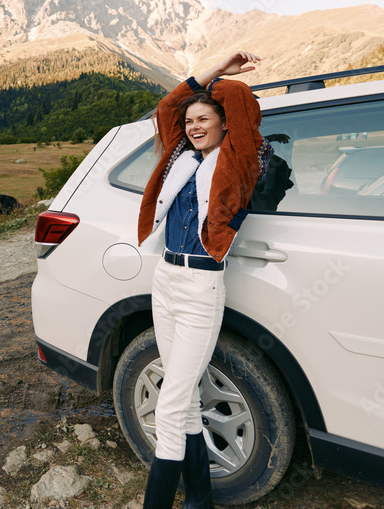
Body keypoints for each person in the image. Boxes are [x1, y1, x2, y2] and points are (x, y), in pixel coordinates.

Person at [136, 51, 272, 509]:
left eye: (204, 119)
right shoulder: (180, 158)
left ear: (225, 125)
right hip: (165, 280)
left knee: (170, 405)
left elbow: (241, 103)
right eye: (190, 121)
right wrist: (208, 73)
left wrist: (222, 77)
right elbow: (166, 108)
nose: (194, 127)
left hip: (200, 288)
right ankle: (200, 499)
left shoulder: (239, 161)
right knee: (186, 399)